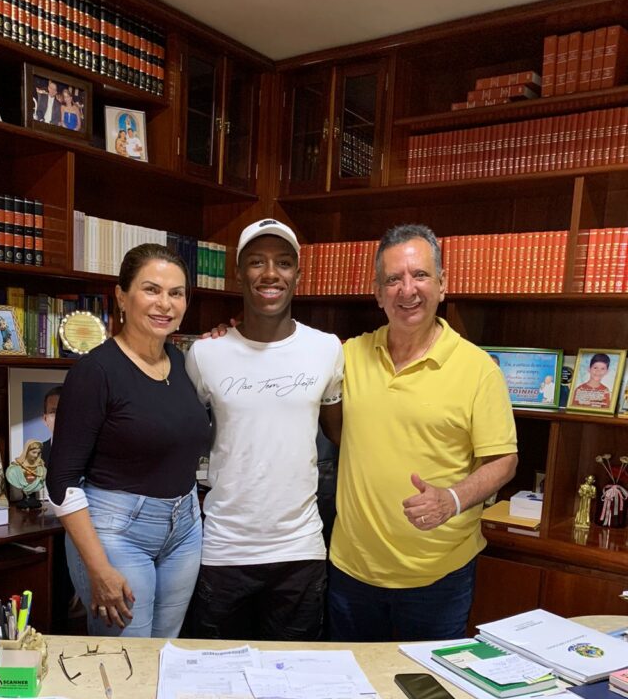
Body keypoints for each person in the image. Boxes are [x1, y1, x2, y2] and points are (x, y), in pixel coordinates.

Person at [328, 223, 518, 643]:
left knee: (429, 685)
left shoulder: (478, 369)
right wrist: (232, 332)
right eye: (393, 279)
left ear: (442, 285)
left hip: (438, 578)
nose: (407, 290)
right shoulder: (346, 357)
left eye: (420, 275)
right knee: (351, 681)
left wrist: (452, 500)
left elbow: (504, 460)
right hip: (352, 573)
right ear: (378, 294)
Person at [185, 218, 344, 642]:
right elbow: (182, 437)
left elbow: (342, 435)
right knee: (216, 673)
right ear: (238, 273)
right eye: (257, 262)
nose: (271, 273)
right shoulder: (205, 353)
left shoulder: (327, 349)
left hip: (300, 550)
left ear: (298, 274)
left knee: (293, 674)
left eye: (283, 263)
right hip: (224, 549)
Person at [46, 243, 211, 638]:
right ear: (121, 296)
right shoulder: (95, 372)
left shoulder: (183, 363)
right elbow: (60, 481)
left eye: (176, 293)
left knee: (164, 652)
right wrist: (98, 567)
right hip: (116, 533)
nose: (165, 304)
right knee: (126, 660)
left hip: (185, 528)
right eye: (151, 289)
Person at [5, 440, 47, 505]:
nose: (36, 455)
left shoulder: (42, 469)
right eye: (34, 452)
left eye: (38, 453)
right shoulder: (14, 469)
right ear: (27, 451)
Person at [40, 385, 62, 465]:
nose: (60, 417)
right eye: (53, 412)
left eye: (65, 411)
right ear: (45, 419)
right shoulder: (35, 454)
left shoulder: (91, 454)